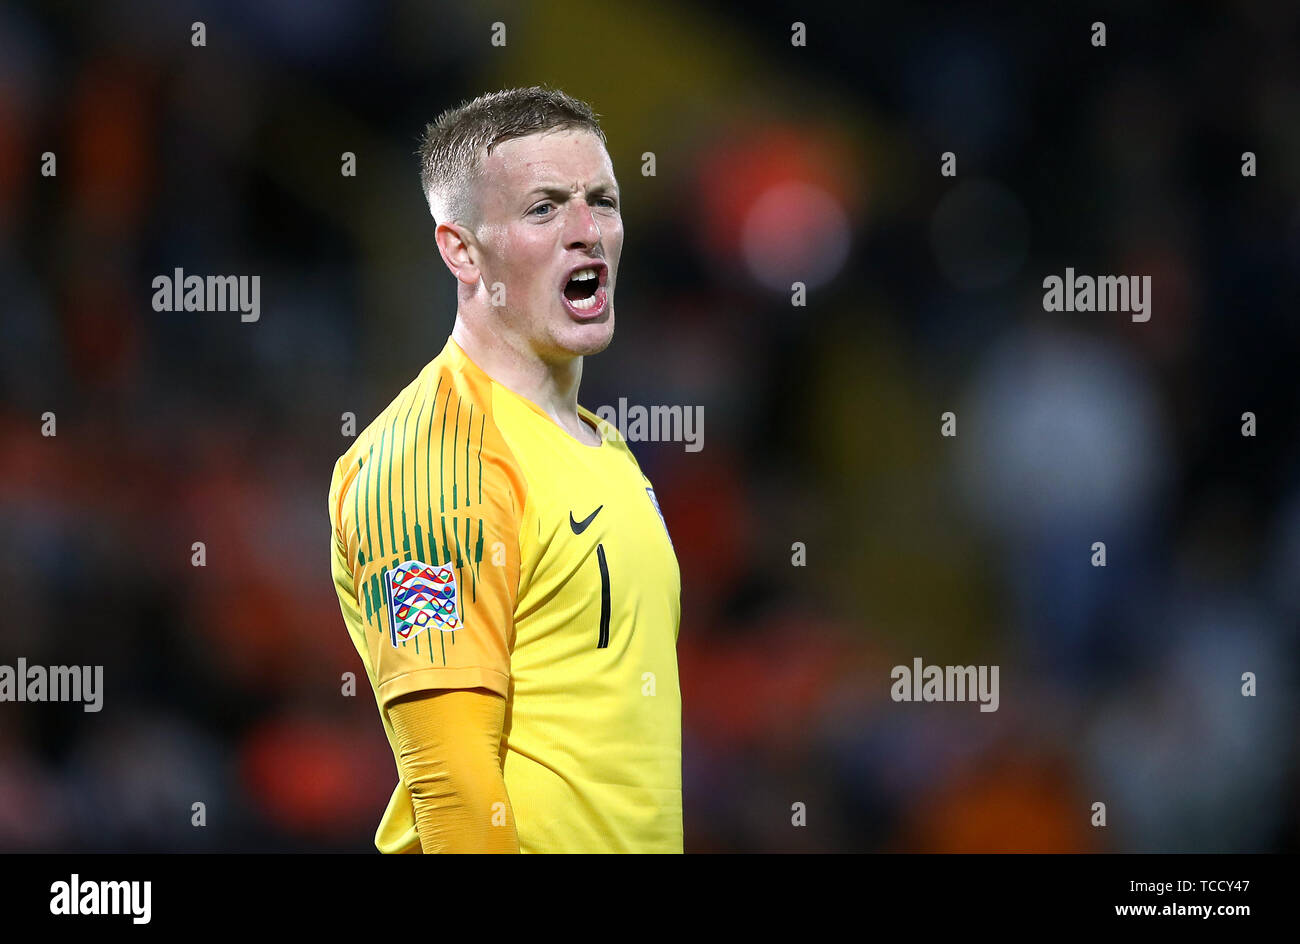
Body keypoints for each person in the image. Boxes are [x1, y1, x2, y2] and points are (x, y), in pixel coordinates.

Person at [327, 86, 682, 853]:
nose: (588, 232)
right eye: (545, 208)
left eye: (603, 201)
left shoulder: (607, 449)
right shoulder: (435, 460)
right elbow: (453, 786)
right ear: (461, 249)